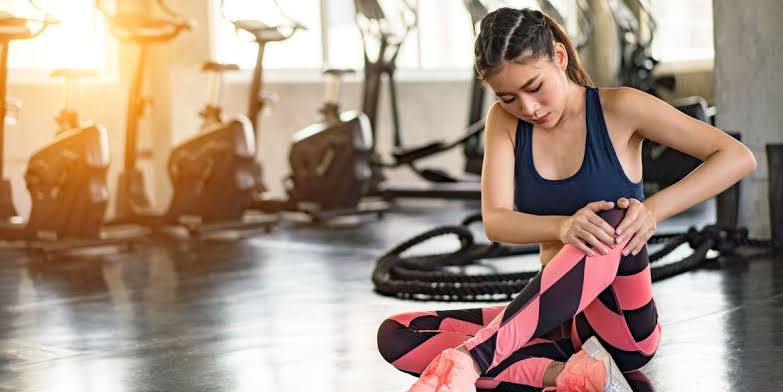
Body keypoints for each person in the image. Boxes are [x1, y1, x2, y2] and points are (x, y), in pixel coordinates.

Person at [376, 7, 757, 392]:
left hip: (619, 327)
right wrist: (562, 225)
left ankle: (473, 360)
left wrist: (652, 211)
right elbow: (496, 221)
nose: (527, 108)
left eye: (535, 87)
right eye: (508, 97)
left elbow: (737, 156)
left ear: (559, 57)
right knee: (397, 334)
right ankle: (567, 376)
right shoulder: (503, 122)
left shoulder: (621, 108)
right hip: (556, 324)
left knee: (610, 218)